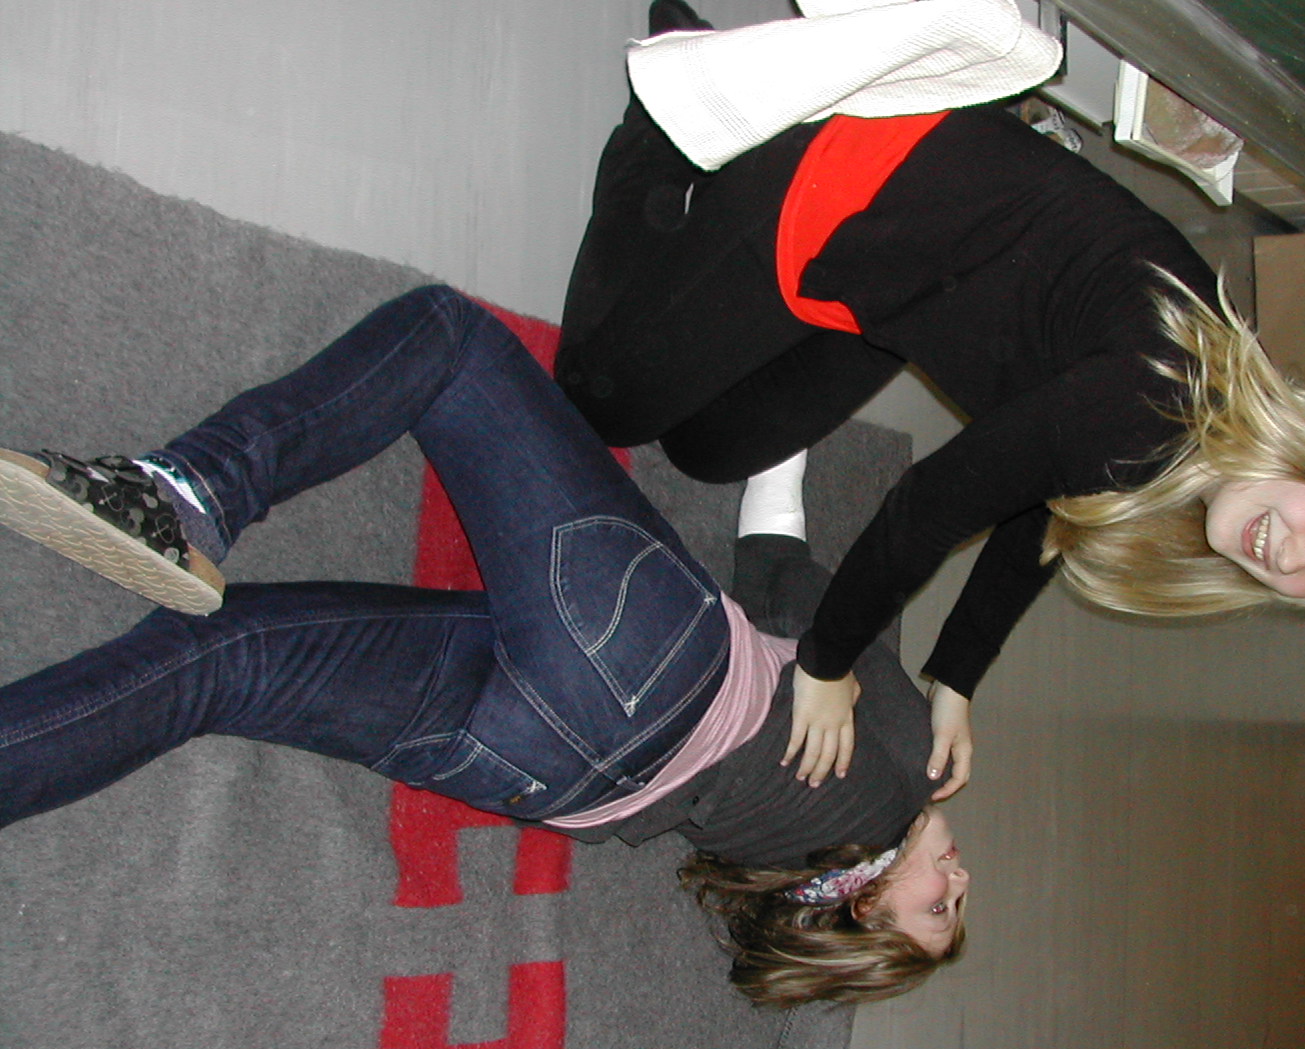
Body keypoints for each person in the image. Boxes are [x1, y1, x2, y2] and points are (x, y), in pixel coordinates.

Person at [554, 0, 1305, 801]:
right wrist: (825, 665)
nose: (1293, 556)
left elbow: (1050, 502)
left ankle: (728, 176)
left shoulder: (1210, 427)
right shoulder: (1162, 400)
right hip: (846, 186)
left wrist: (957, 674)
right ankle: (669, 115)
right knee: (600, 408)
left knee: (708, 450)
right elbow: (929, 508)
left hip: (900, 284)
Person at [0, 285, 967, 1008]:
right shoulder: (771, 862)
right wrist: (788, 429)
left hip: (652, 667)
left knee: (449, 341)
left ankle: (187, 495)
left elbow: (795, 582)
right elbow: (778, 570)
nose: (958, 881)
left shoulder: (910, 775)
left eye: (938, 906)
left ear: (863, 908)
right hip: (549, 776)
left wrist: (804, 386)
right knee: (228, 660)